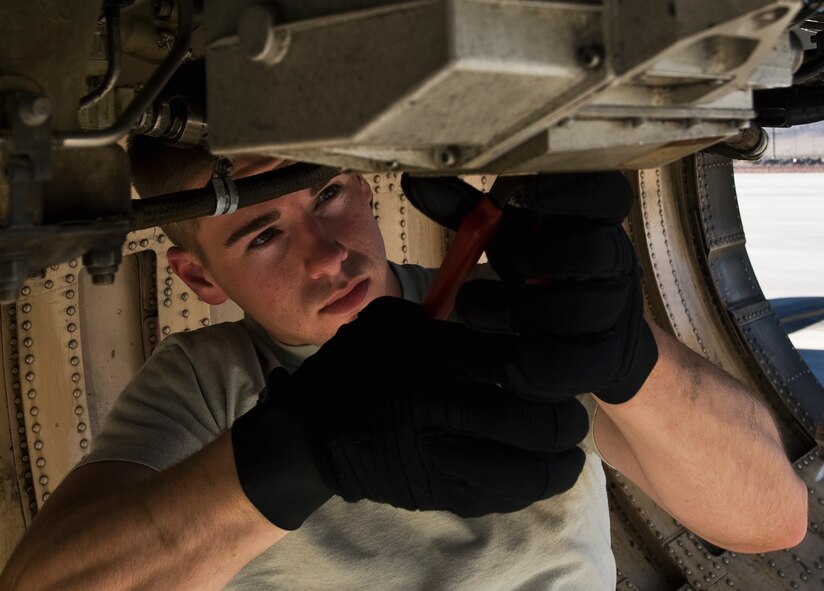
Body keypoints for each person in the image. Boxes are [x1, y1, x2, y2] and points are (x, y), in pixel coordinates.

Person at [0, 77, 808, 591]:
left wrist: (632, 357)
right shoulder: (210, 382)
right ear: (201, 279)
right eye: (262, 236)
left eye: (328, 195)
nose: (327, 254)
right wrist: (300, 448)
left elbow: (772, 519)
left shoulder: (516, 315)